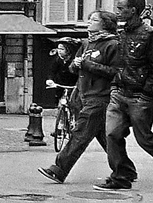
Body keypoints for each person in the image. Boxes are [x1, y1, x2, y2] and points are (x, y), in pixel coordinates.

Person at [40, 11, 135, 185]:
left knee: (79, 134)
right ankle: (125, 169)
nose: (89, 21)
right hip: (83, 96)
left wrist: (87, 64)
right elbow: (73, 68)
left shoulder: (113, 45)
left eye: (94, 20)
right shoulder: (87, 43)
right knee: (106, 137)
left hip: (101, 97)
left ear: (105, 24)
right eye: (89, 18)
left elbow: (117, 72)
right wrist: (75, 66)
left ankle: (59, 169)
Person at [98, 0, 153, 191]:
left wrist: (146, 93)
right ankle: (121, 176)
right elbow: (119, 63)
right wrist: (114, 86)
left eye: (121, 8)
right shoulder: (120, 33)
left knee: (145, 139)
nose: (118, 12)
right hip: (119, 92)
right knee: (112, 135)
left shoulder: (148, 35)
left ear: (133, 11)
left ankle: (123, 174)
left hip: (139, 96)